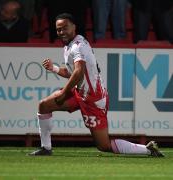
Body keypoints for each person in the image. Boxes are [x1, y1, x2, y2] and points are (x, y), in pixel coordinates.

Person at [29, 13, 164, 157]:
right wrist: (54, 68)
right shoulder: (69, 47)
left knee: (104, 145)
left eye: (65, 28)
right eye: (58, 29)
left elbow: (79, 72)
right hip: (79, 92)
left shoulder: (78, 46)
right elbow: (72, 72)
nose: (61, 32)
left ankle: (148, 149)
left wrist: (63, 93)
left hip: (94, 98)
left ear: (74, 27)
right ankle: (46, 148)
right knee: (44, 105)